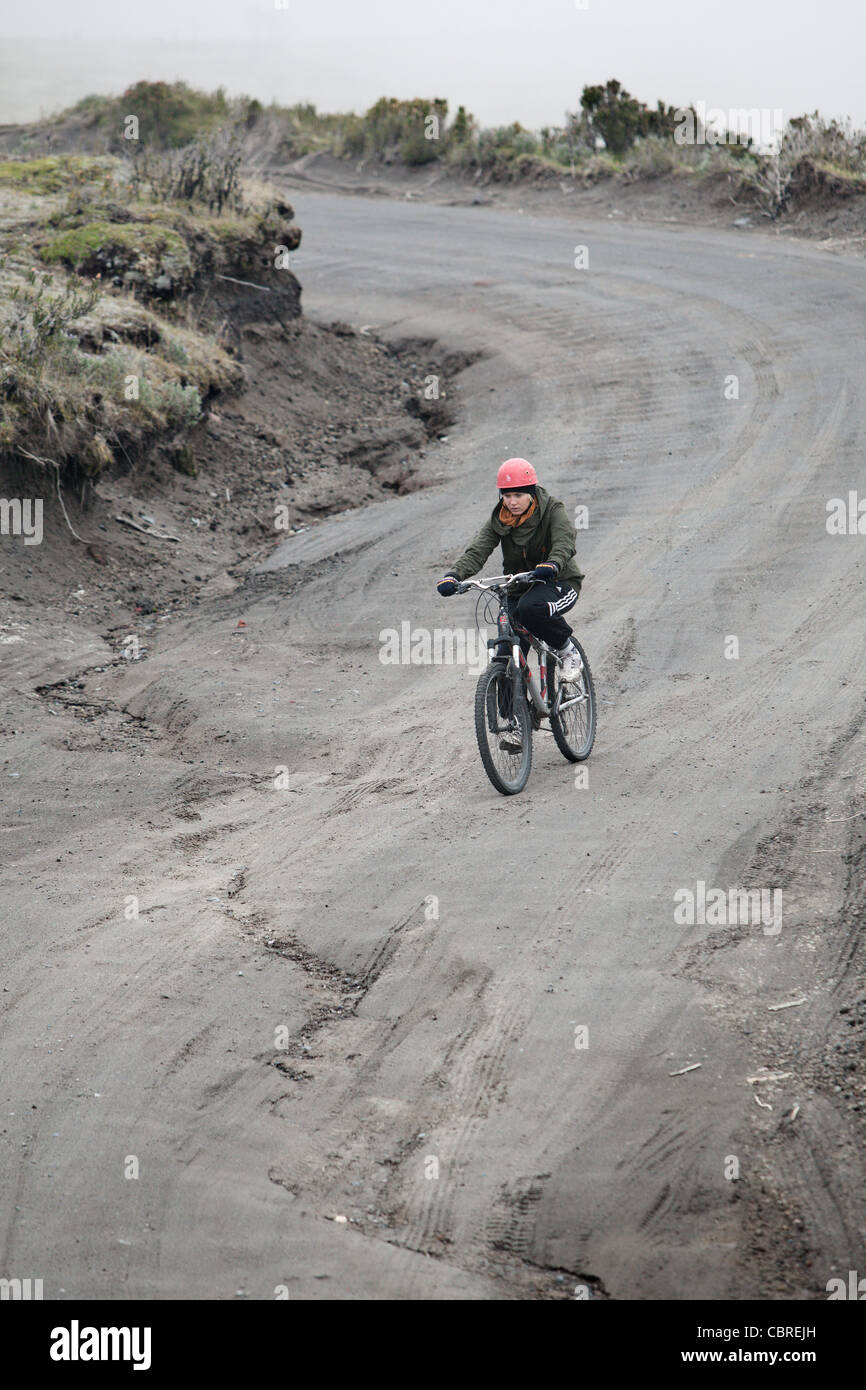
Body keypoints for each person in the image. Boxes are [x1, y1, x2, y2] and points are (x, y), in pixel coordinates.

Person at [436, 458, 585, 683]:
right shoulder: (500, 519)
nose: (512, 502)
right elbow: (478, 549)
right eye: (506, 496)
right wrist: (454, 575)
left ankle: (568, 651)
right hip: (519, 587)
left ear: (531, 493)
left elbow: (564, 541)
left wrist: (553, 563)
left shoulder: (553, 509)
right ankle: (516, 713)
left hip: (558, 582)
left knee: (530, 608)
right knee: (506, 649)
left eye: (518, 495)